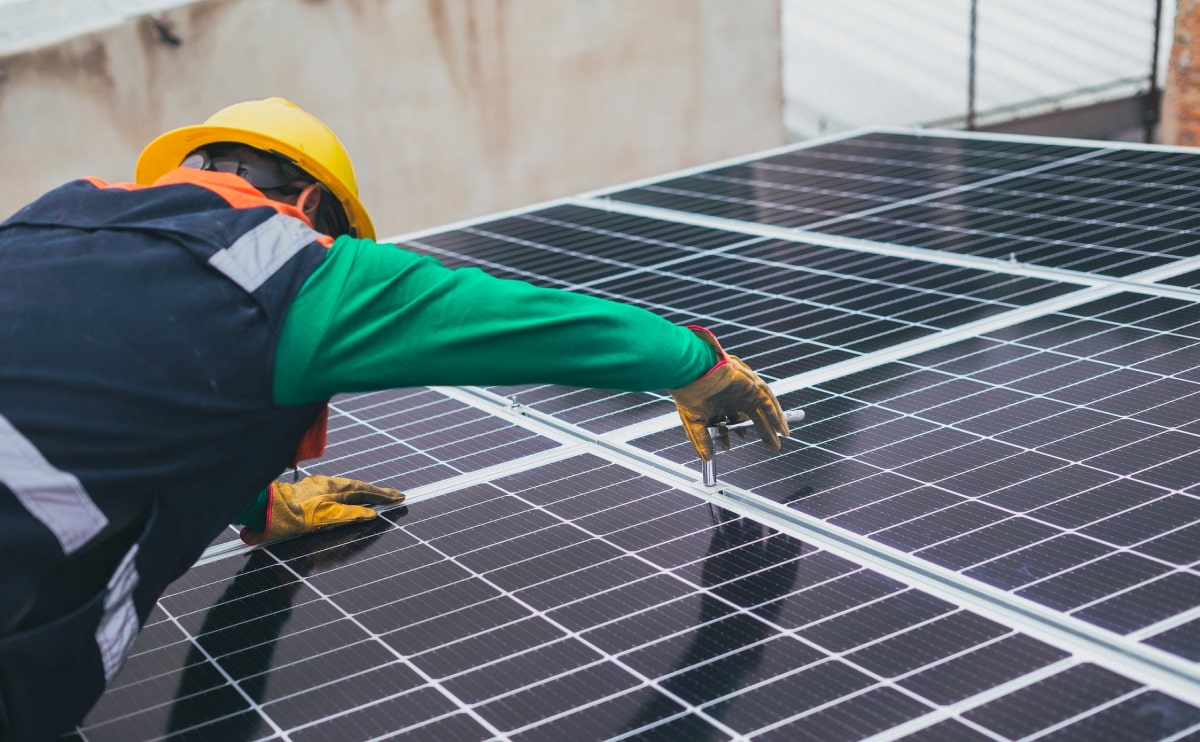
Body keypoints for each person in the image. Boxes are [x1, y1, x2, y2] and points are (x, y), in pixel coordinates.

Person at [0, 97, 788, 740]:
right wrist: (699, 365)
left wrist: (254, 502)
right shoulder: (295, 264)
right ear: (312, 204)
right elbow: (523, 320)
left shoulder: (42, 223)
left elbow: (115, 382)